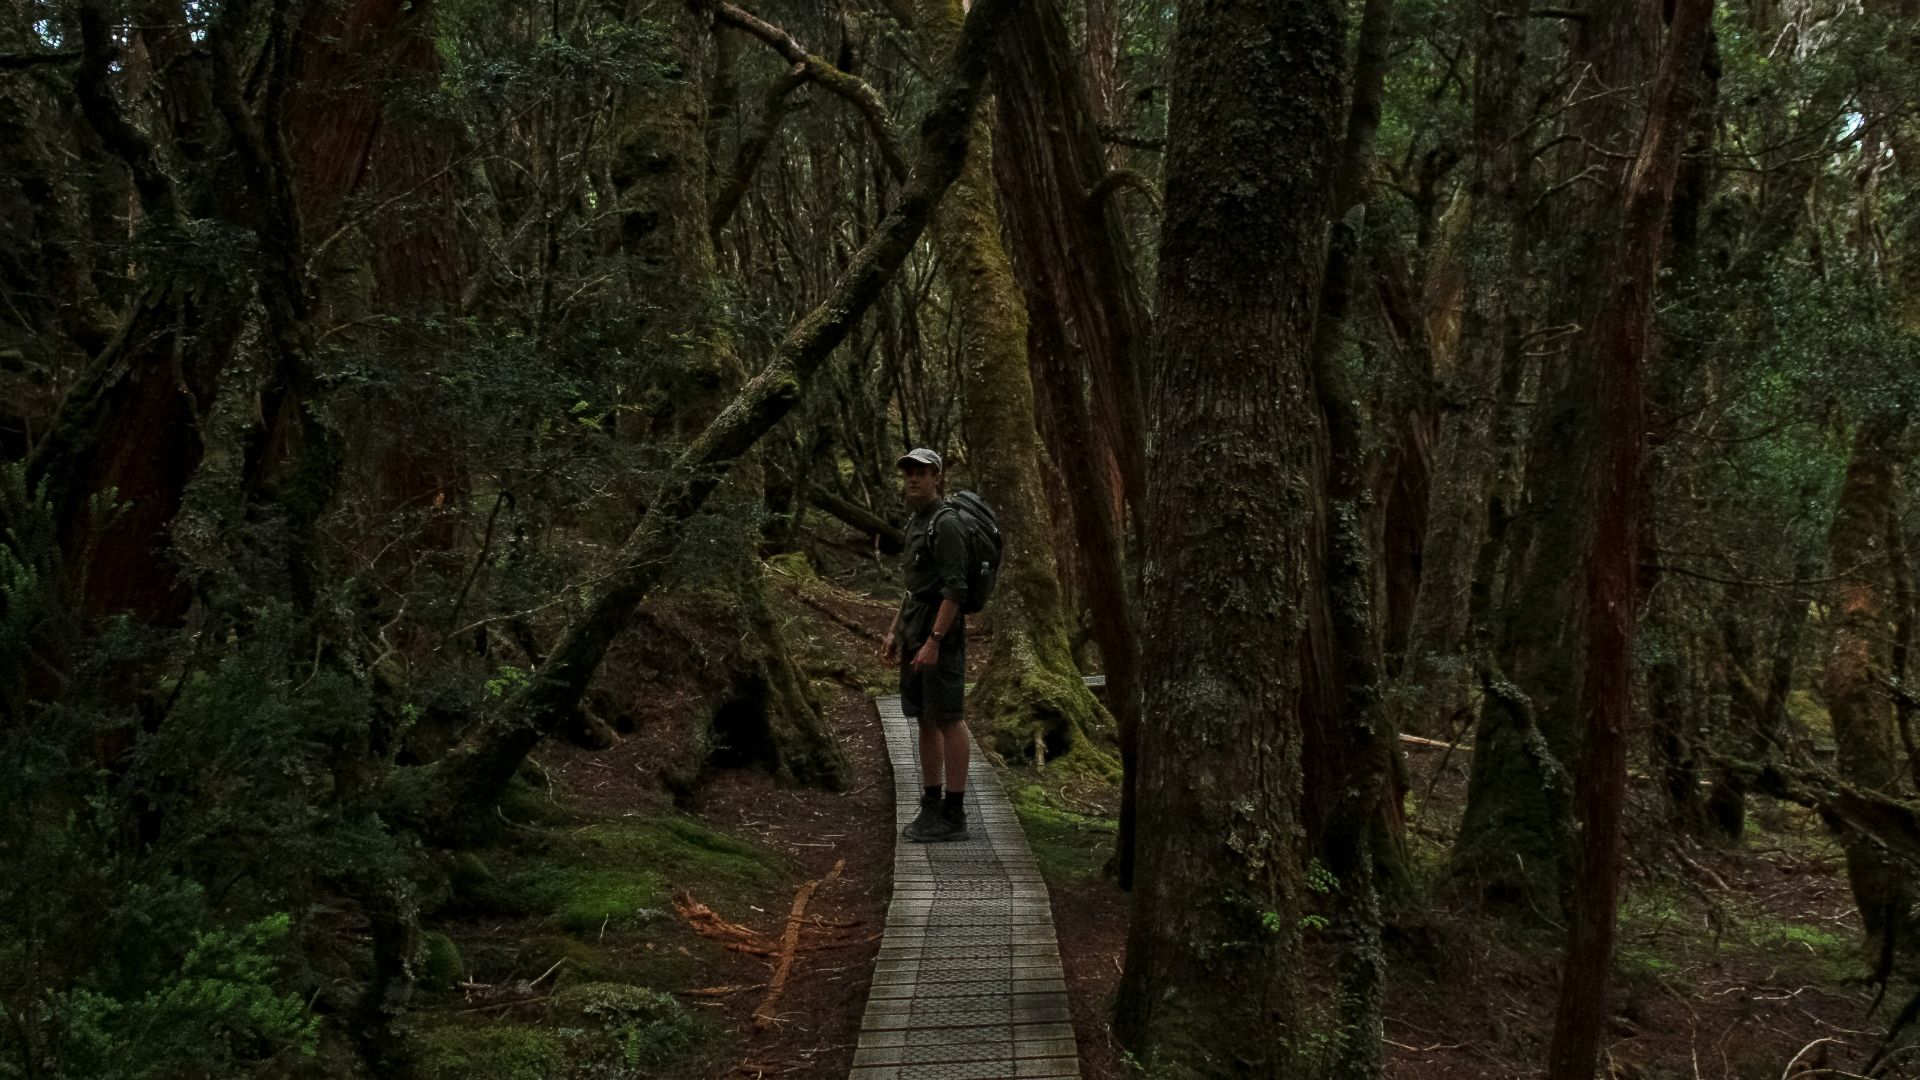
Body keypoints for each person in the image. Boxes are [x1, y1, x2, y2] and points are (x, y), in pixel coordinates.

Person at [879, 448, 970, 842]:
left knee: (948, 716)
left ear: (938, 477)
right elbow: (914, 586)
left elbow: (956, 588)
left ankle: (954, 811)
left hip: (940, 634)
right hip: (915, 630)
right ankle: (931, 802)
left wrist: (934, 640)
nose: (913, 479)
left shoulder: (946, 524)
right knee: (923, 717)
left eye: (922, 472)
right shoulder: (917, 522)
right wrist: (893, 631)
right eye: (909, 472)